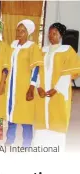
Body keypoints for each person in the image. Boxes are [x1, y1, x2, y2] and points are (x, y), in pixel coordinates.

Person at [33, 23, 80, 151]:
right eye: (49, 33)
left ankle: (56, 149)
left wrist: (57, 89)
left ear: (61, 35)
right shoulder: (42, 50)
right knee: (42, 119)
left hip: (58, 91)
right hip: (43, 92)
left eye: (54, 33)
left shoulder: (67, 50)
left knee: (57, 118)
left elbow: (69, 73)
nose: (51, 36)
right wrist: (38, 87)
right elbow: (36, 71)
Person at [5, 19, 43, 147]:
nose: (20, 33)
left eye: (23, 31)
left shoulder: (32, 46)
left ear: (28, 33)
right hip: (11, 85)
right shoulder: (13, 45)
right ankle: (10, 139)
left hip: (24, 86)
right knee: (11, 113)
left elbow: (36, 68)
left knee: (26, 115)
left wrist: (32, 87)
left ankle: (27, 143)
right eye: (18, 30)